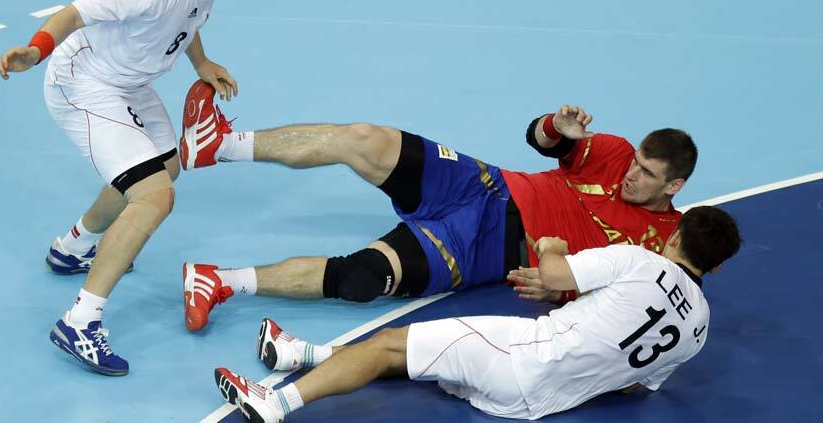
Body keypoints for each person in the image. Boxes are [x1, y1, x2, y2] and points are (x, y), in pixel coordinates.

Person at [0, 0, 244, 375]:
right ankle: (80, 323)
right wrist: (35, 50)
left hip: (130, 83)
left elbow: (187, 18)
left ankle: (74, 247)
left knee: (166, 170)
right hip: (84, 83)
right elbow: (73, 13)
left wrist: (201, 61)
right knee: (153, 196)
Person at [180, 99, 699, 331]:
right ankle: (221, 143)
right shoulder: (615, 152)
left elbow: (623, 301)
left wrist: (559, 288)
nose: (631, 176)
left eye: (647, 176)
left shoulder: (665, 245)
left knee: (360, 278)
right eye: (635, 165)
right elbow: (540, 141)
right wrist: (554, 126)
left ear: (673, 187)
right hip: (486, 184)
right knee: (363, 138)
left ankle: (218, 281)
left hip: (483, 250)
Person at [214, 206, 742, 421]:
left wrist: (555, 247)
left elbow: (555, 275)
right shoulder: (698, 330)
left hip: (521, 354)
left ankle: (277, 403)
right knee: (429, 355)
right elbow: (632, 385)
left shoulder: (637, 260)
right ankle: (301, 354)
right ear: (714, 269)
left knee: (389, 344)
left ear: (673, 236)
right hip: (535, 404)